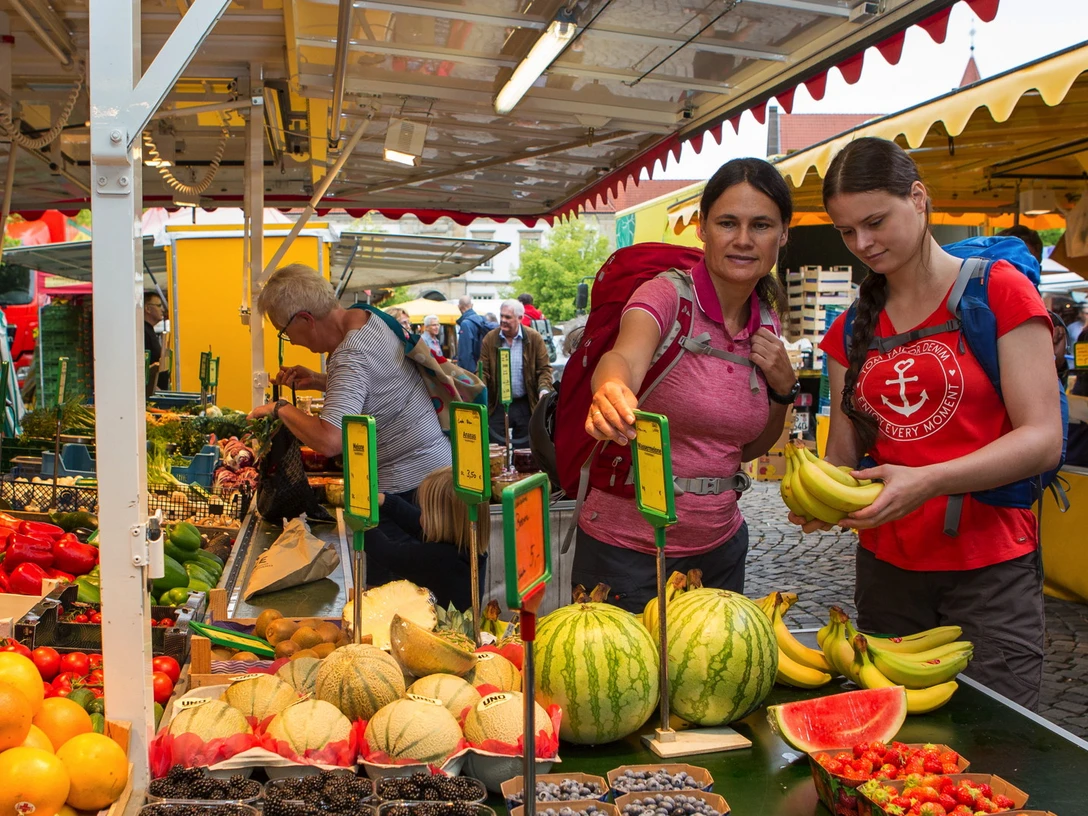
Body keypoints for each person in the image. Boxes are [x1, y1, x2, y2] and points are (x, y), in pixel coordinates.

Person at [800, 137, 1062, 710]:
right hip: (886, 571)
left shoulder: (998, 292)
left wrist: (929, 480)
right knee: (898, 745)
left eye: (874, 221)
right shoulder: (849, 330)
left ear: (918, 199)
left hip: (990, 568)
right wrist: (818, 495)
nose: (862, 244)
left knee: (994, 741)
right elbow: (844, 455)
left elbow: (1043, 438)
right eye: (847, 231)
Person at [579, 158, 797, 613]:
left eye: (760, 225)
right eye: (727, 223)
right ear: (702, 228)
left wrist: (783, 387)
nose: (742, 239)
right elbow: (624, 355)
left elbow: (748, 449)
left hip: (719, 549)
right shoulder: (665, 296)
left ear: (783, 234)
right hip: (627, 550)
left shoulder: (768, 322)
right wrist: (611, 389)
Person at [250, 264, 452, 579]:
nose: (289, 340)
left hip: (410, 490)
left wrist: (281, 408)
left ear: (305, 319)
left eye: (284, 331)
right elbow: (378, 385)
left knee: (402, 600)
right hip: (436, 475)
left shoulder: (349, 355)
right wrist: (319, 379)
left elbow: (330, 440)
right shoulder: (367, 318)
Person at [375, 467, 488, 609]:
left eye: (424, 511)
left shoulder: (440, 557)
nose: (420, 516)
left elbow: (389, 554)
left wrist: (362, 523)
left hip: (441, 630)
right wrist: (385, 501)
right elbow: (418, 525)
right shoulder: (466, 548)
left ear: (442, 519)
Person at [480, 299, 553, 447]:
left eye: (508, 317)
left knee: (525, 452)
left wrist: (543, 389)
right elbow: (483, 371)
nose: (503, 320)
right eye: (501, 316)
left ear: (520, 318)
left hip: (525, 403)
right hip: (497, 404)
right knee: (496, 450)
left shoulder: (534, 338)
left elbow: (544, 369)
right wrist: (480, 391)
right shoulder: (490, 338)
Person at [143, 291, 170, 393]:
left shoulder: (149, 331)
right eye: (158, 306)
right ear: (147, 308)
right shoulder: (143, 332)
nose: (162, 310)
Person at [455, 295, 488, 375]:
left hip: (471, 373)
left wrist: (464, 375)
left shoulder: (466, 324)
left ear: (459, 307)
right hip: (481, 369)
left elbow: (465, 354)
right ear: (472, 305)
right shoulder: (481, 320)